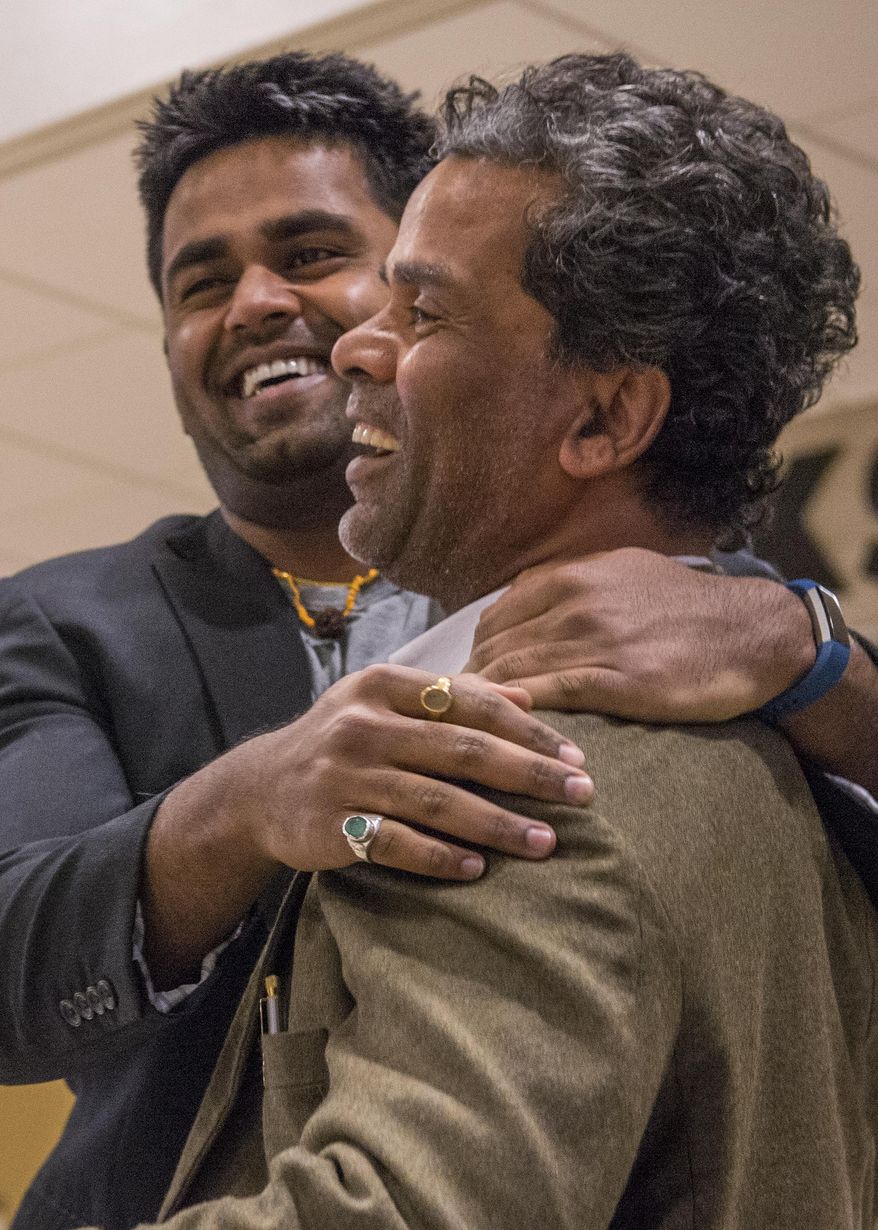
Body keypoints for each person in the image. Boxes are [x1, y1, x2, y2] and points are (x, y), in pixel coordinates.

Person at [2, 50, 877, 1230]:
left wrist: (808, 640)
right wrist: (255, 805)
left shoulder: (586, 727)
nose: (268, 306)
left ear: (609, 415)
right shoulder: (64, 623)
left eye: (387, 291)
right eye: (198, 284)